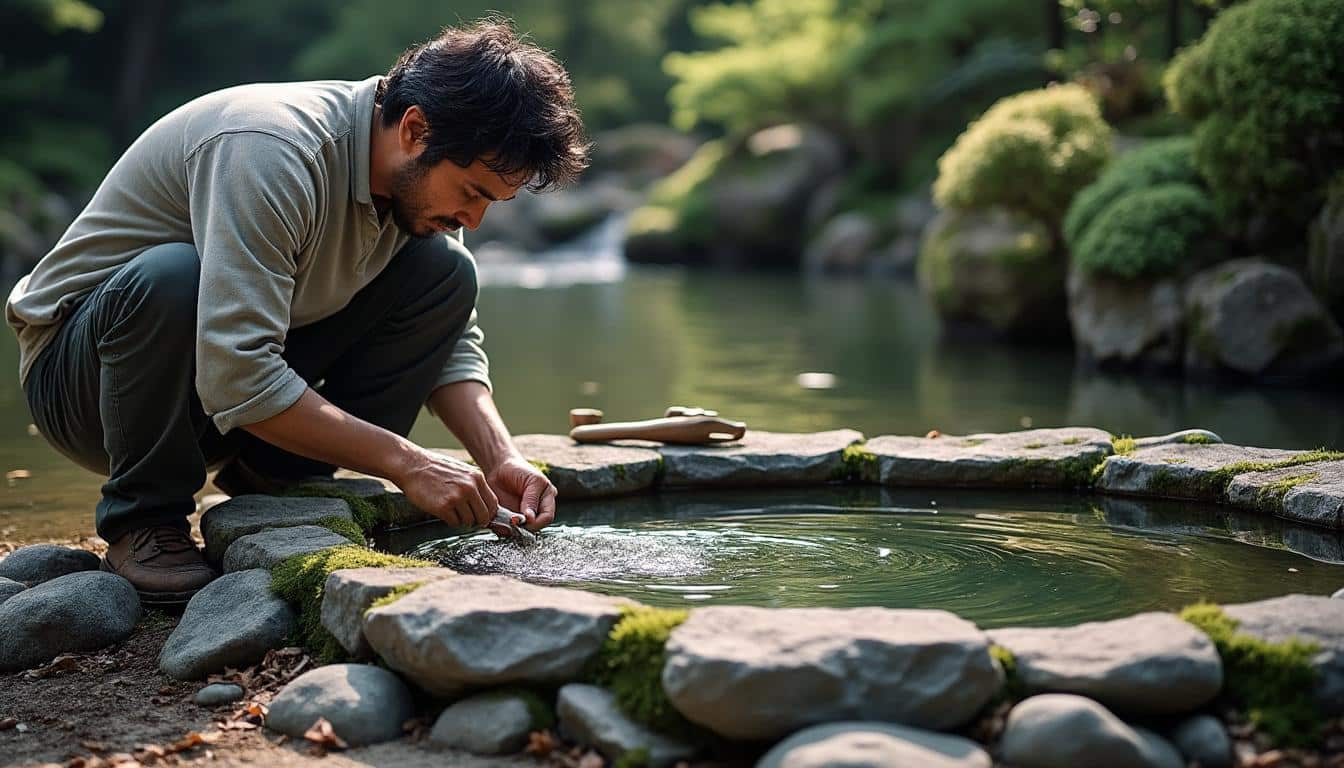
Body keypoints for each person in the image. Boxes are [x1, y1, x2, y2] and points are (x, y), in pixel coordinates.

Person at [4, 19, 589, 606]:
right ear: (415, 130)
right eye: (472, 193)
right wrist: (409, 464)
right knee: (174, 277)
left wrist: (500, 458)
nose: (475, 220)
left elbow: (451, 346)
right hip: (85, 384)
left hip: (220, 400)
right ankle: (145, 520)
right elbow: (239, 373)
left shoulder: (417, 195)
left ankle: (272, 480)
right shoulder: (273, 150)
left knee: (446, 272)